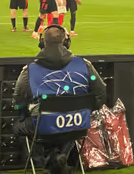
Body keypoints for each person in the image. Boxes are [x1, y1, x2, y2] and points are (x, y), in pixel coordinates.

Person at [14, 25, 107, 173]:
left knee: (19, 126)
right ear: (67, 43)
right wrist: (86, 112)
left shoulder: (29, 71)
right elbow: (101, 92)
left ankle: (50, 162)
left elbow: (18, 101)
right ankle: (60, 158)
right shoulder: (85, 65)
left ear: (42, 43)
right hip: (78, 125)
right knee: (65, 130)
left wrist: (25, 114)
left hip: (43, 128)